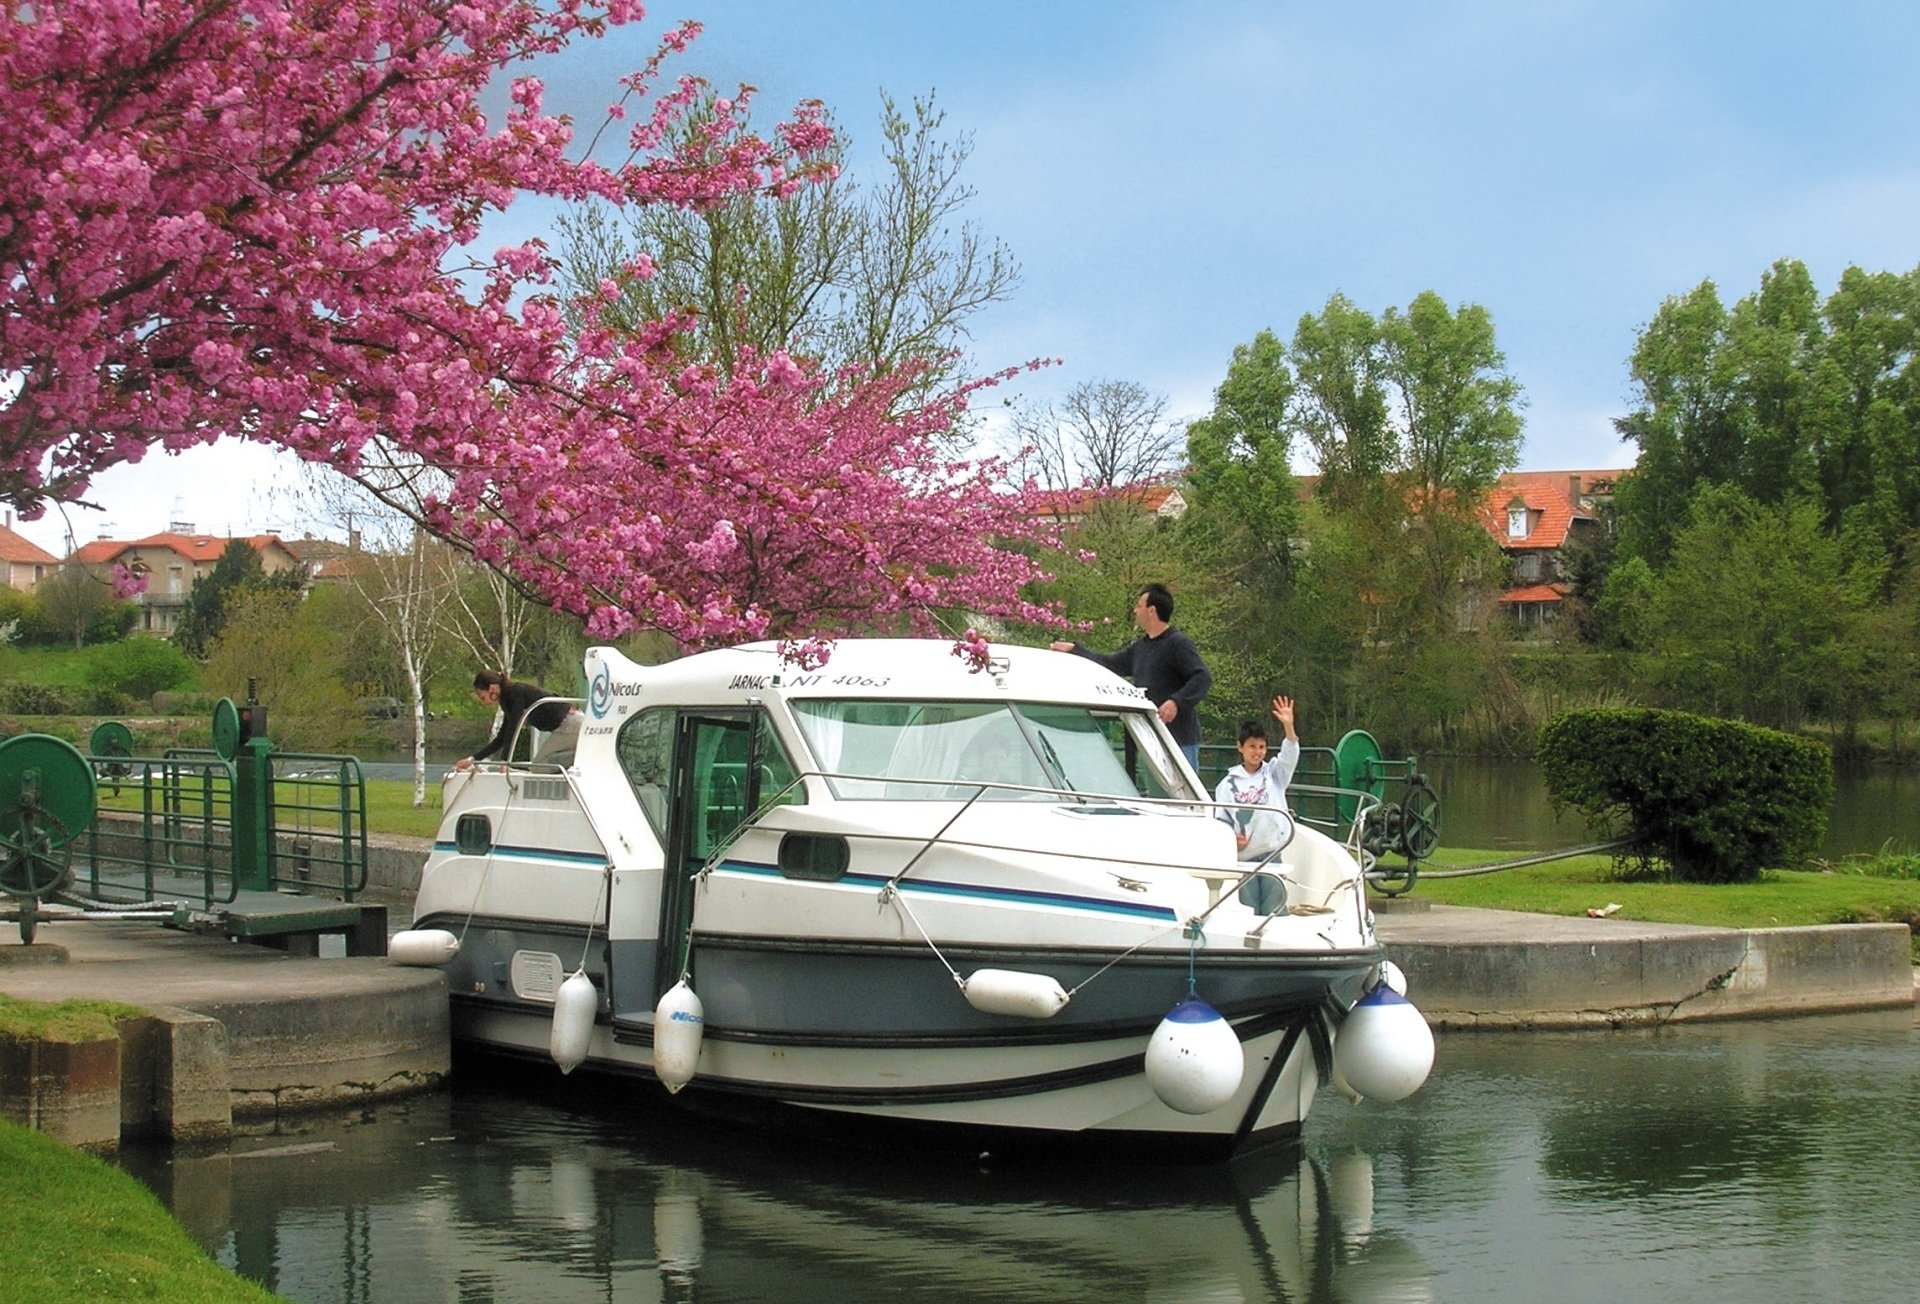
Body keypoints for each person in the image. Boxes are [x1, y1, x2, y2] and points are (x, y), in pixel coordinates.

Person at [1050, 582, 1212, 767]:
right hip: (1150, 739)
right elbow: (1111, 664)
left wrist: (1176, 701)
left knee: (1181, 796)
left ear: (1152, 610)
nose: (1135, 611)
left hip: (1179, 740)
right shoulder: (1141, 648)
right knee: (1154, 795)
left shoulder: (1178, 644)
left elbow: (1202, 677)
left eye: (1139, 606)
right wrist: (1075, 650)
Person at [1214, 696, 1301, 861]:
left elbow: (1290, 755)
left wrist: (1288, 726)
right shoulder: (1227, 784)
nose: (1257, 752)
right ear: (1240, 747)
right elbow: (1222, 819)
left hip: (1272, 851)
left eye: (1261, 747)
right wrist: (1232, 839)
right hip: (1244, 855)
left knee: (1274, 887)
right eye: (1252, 746)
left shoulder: (1274, 774)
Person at [455, 670, 581, 770]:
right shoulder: (508, 700)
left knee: (539, 767)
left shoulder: (516, 693)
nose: (484, 702)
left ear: (492, 689)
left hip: (569, 725)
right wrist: (473, 759)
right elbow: (501, 739)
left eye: (483, 698)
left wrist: (505, 761)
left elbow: (514, 727)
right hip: (567, 724)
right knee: (541, 764)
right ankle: (583, 756)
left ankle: (586, 757)